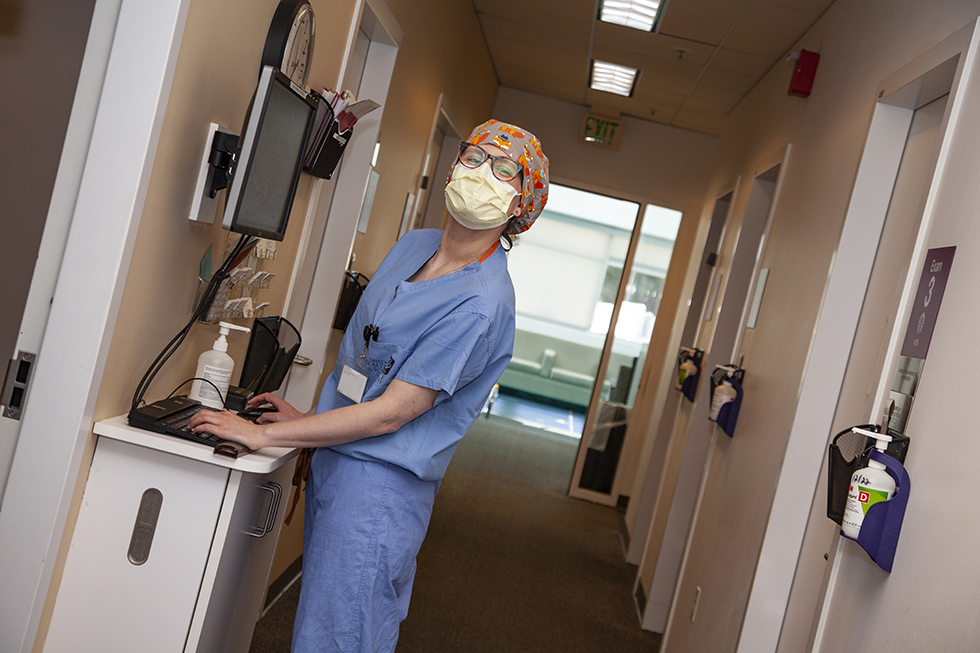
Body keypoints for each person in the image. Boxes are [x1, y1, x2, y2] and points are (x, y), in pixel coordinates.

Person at [189, 119, 549, 652]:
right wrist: (306, 425)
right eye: (473, 158)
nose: (480, 175)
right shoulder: (415, 245)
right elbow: (367, 353)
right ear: (453, 166)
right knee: (323, 625)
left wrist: (268, 436)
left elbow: (393, 412)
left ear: (521, 204)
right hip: (338, 459)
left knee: (341, 637)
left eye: (504, 171)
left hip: (378, 487)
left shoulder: (481, 303)